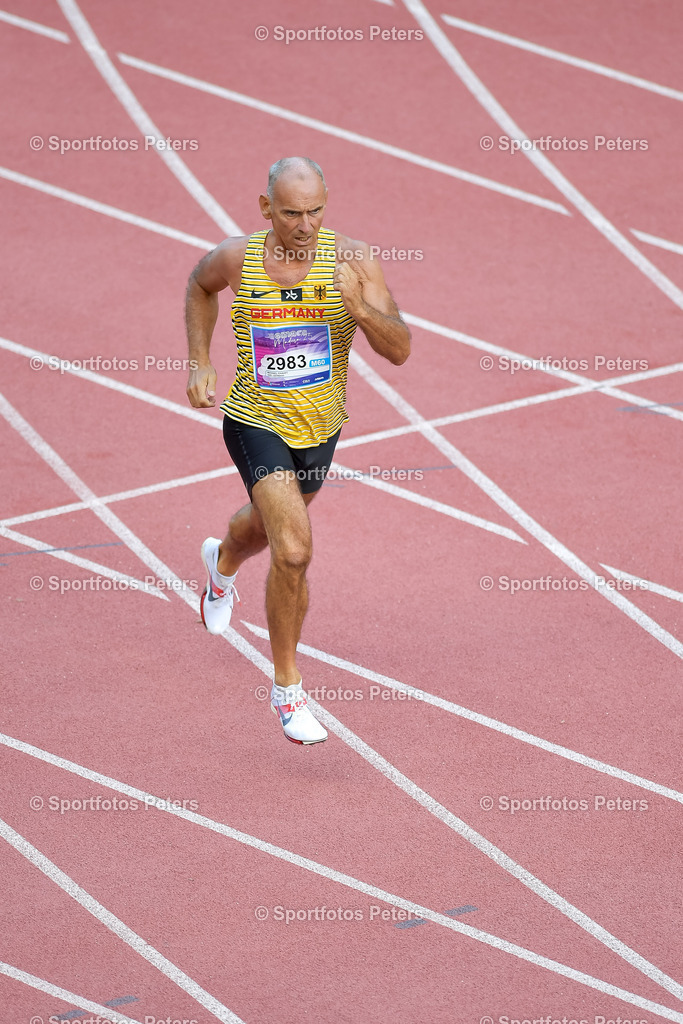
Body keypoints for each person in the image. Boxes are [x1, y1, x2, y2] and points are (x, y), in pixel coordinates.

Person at [185, 156, 410, 745]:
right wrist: (200, 360)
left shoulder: (355, 261)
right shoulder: (239, 257)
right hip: (255, 420)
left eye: (314, 212)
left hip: (321, 428)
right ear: (267, 210)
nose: (304, 225)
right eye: (291, 213)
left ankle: (220, 564)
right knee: (293, 550)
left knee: (260, 530)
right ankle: (288, 692)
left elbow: (401, 349)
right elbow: (199, 284)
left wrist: (358, 309)